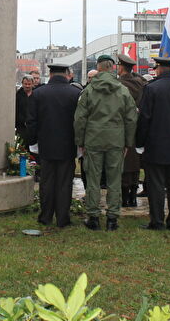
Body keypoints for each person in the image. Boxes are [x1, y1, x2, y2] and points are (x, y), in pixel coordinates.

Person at [74, 54, 137, 231]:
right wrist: (128, 143)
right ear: (112, 68)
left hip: (93, 139)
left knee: (93, 179)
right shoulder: (123, 90)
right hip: (116, 140)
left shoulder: (89, 90)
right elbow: (131, 118)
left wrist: (80, 141)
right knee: (114, 179)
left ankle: (93, 217)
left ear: (99, 68)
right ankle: (112, 219)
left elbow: (80, 118)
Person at [136, 57, 170, 230]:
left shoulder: (151, 89)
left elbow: (144, 118)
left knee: (156, 185)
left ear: (159, 69)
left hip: (155, 144)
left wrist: (139, 142)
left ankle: (157, 221)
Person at [26, 63, 81, 227]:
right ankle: (63, 218)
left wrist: (33, 142)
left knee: (47, 182)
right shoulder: (76, 93)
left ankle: (45, 216)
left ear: (50, 74)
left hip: (46, 144)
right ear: (67, 74)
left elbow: (31, 122)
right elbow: (80, 121)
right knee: (65, 182)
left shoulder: (38, 93)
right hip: (68, 145)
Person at [117, 53, 146, 207]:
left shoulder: (118, 85)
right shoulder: (141, 84)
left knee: (123, 163)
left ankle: (124, 198)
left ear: (121, 67)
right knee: (135, 163)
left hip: (121, 128)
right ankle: (133, 196)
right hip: (138, 128)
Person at [15, 75, 35, 141]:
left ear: (33, 84)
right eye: (25, 84)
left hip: (34, 127)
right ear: (22, 84)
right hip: (21, 127)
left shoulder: (36, 94)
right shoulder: (18, 95)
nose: (27, 86)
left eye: (29, 84)